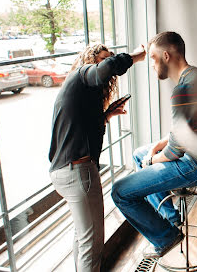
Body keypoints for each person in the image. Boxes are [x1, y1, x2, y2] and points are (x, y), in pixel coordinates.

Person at [111, 31, 197, 259]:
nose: (151, 65)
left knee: (120, 192)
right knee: (138, 154)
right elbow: (186, 131)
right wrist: (157, 146)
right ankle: (173, 219)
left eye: (152, 58)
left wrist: (152, 160)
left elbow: (175, 151)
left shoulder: (183, 90)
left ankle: (166, 236)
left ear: (166, 55)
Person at [48, 43, 147, 272]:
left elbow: (85, 133)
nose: (106, 65)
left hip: (65, 172)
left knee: (83, 239)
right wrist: (138, 56)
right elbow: (107, 68)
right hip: (78, 174)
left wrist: (106, 116)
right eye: (101, 60)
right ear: (90, 61)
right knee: (91, 246)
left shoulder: (83, 93)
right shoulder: (81, 75)